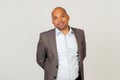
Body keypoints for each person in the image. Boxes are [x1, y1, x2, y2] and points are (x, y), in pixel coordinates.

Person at [36, 7, 86, 80]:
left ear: (68, 17)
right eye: (55, 18)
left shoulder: (79, 34)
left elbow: (83, 54)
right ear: (52, 21)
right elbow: (40, 60)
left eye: (62, 16)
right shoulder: (45, 37)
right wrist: (51, 69)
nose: (59, 20)